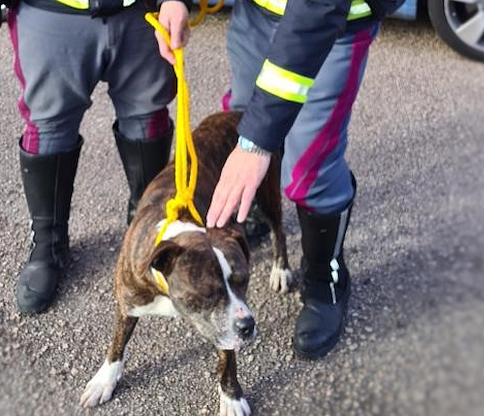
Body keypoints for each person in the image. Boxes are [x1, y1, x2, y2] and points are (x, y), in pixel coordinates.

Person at [157, 0, 403, 359]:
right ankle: (259, 210)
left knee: (310, 167)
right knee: (241, 121)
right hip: (256, 12)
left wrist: (256, 143)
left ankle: (325, 279)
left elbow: (318, 9)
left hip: (331, 24)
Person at [6, 0, 188, 314]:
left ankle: (145, 231)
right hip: (52, 11)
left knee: (146, 117)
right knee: (48, 126)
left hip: (140, 10)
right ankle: (49, 245)